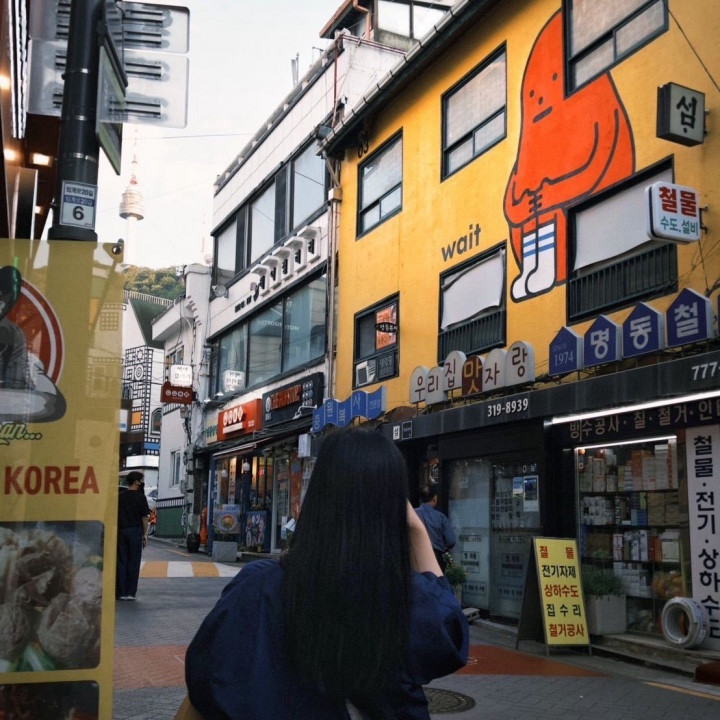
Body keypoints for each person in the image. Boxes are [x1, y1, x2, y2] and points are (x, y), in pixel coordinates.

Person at [183, 427, 468, 719]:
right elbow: (450, 633)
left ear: (317, 496)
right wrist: (417, 530)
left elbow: (205, 685)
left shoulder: (257, 587)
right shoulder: (406, 601)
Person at [116, 470, 150, 601]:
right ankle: (130, 592)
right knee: (133, 562)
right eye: (141, 480)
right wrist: (145, 534)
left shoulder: (120, 497)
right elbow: (144, 518)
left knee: (121, 561)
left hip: (121, 530)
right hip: (135, 531)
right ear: (136, 482)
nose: (142, 483)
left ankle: (120, 592)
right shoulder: (141, 498)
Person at [415, 485, 456, 573]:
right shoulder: (440, 517)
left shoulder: (412, 514)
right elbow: (451, 541)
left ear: (421, 499)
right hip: (436, 559)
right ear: (434, 499)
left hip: (416, 559)